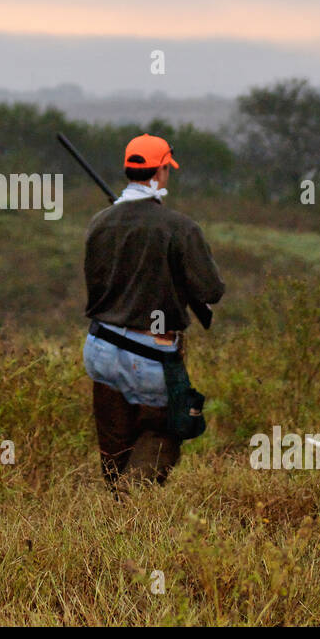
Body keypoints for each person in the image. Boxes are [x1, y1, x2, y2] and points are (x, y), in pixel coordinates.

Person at [82, 134, 225, 491]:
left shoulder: (100, 222)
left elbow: (99, 284)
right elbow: (211, 290)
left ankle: (118, 521)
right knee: (164, 433)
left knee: (116, 444)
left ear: (129, 170)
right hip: (150, 355)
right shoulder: (180, 227)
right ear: (161, 172)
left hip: (100, 348)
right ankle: (131, 506)